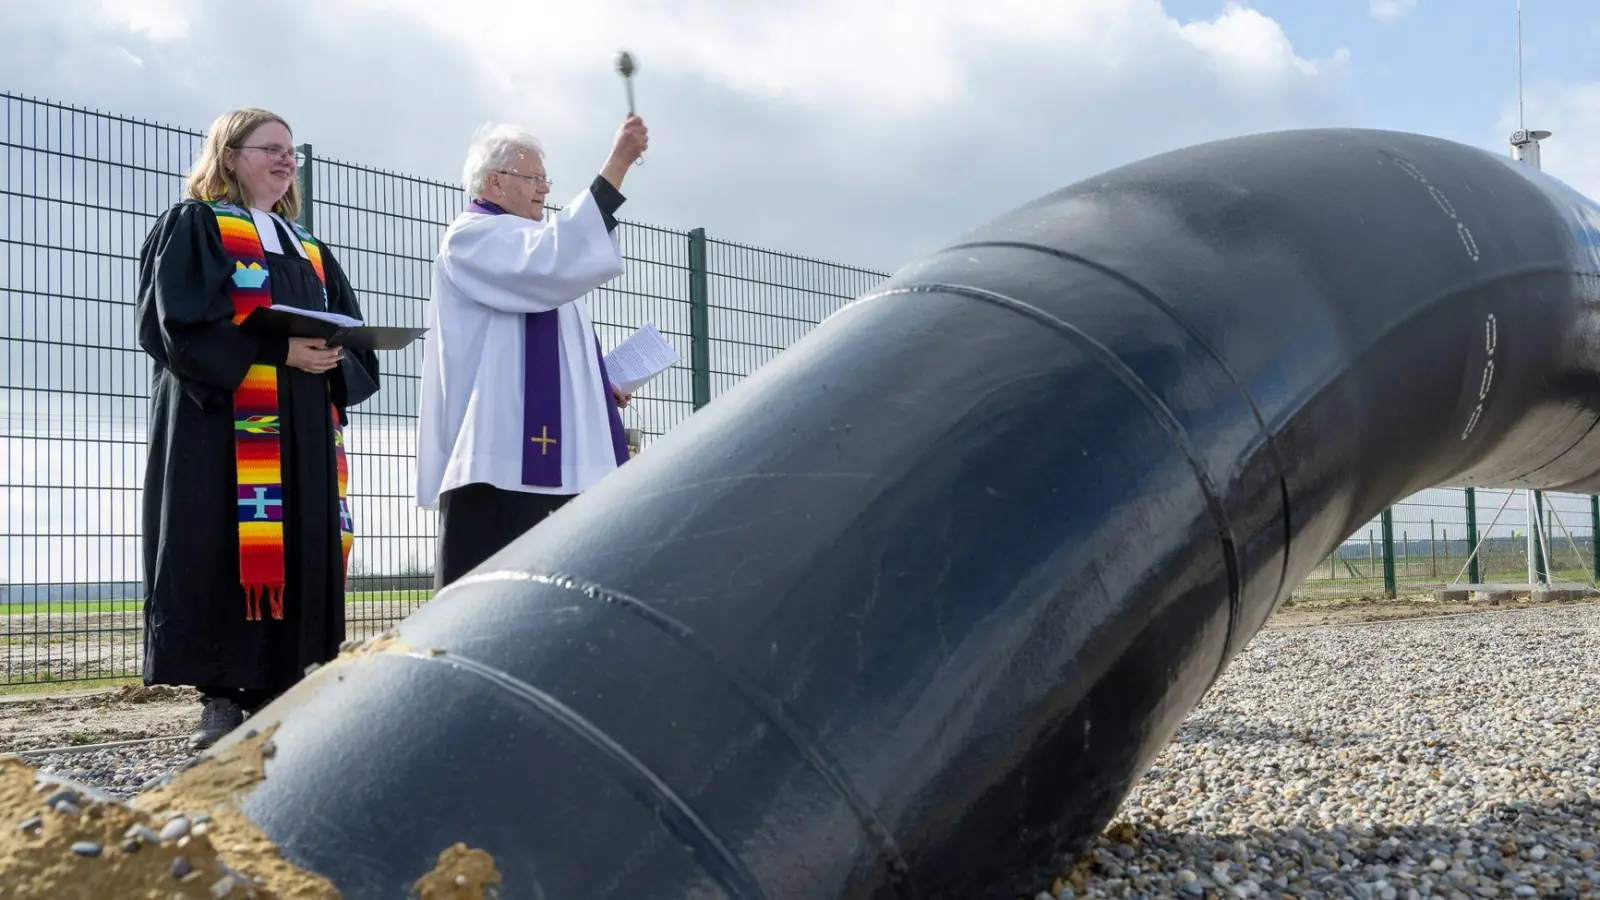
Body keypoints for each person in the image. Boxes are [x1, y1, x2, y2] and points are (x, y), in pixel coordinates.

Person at [135, 107, 380, 748]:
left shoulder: (309, 249)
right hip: (223, 431)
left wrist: (333, 359)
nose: (285, 161)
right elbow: (177, 326)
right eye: (269, 148)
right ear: (228, 155)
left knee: (302, 543)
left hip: (304, 429)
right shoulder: (195, 225)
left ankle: (289, 688)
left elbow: (352, 337)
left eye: (290, 152)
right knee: (220, 543)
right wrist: (277, 352)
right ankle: (220, 697)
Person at [416, 114, 649, 589]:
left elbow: (553, 317)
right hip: (497, 456)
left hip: (567, 456)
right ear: (495, 182)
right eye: (534, 178)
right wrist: (616, 167)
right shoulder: (472, 237)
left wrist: (594, 387)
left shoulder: (530, 245)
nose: (544, 189)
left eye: (546, 179)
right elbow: (550, 262)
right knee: (485, 598)